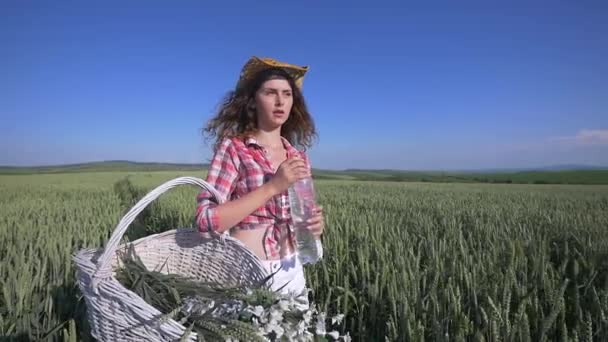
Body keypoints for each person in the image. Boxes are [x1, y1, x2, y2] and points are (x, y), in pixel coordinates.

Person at [195, 56, 325, 303]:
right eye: (270, 93)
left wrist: (316, 227)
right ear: (253, 101)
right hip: (247, 275)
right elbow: (205, 222)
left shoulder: (298, 158)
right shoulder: (234, 149)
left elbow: (303, 219)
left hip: (293, 272)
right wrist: (273, 186)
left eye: (287, 94)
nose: (280, 101)